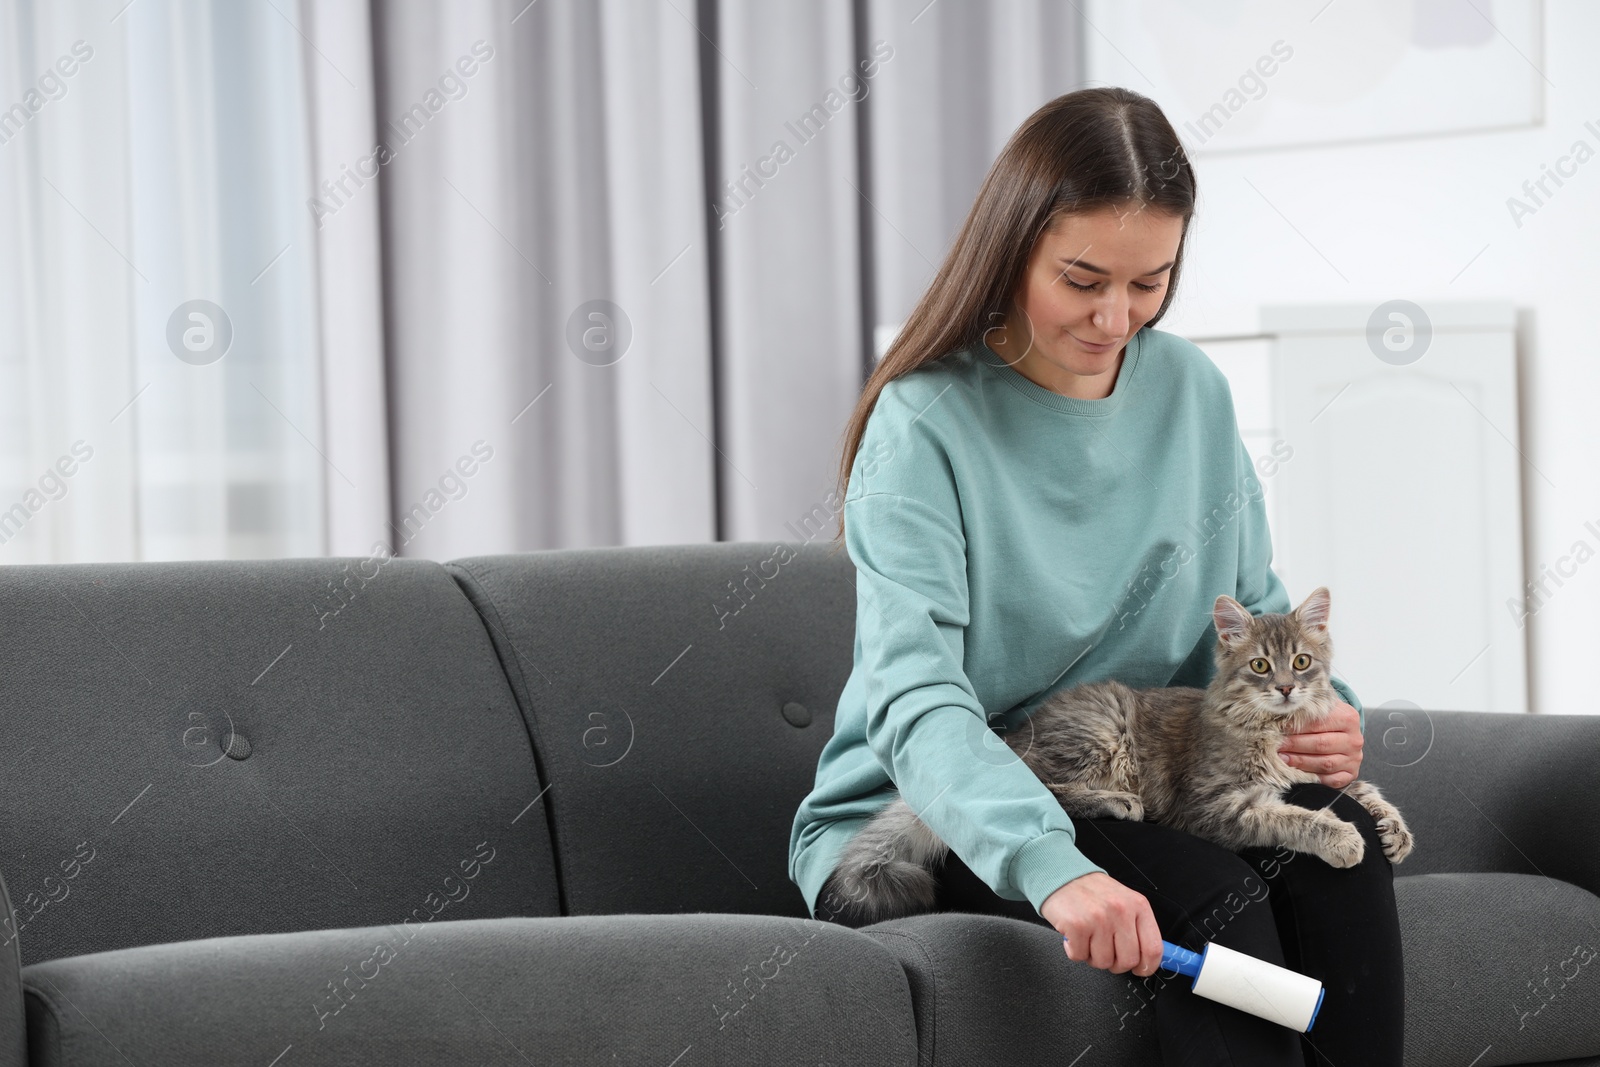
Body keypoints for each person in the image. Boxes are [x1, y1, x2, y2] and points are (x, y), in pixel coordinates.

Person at [786, 87, 1403, 1067]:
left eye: (1149, 282)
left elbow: (1251, 619)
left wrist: (1321, 721)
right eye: (1081, 279)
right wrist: (1050, 865)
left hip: (1147, 772)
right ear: (1013, 248)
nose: (1116, 317)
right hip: (945, 808)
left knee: (1338, 850)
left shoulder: (1190, 391)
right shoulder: (923, 423)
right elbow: (917, 699)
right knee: (1208, 898)